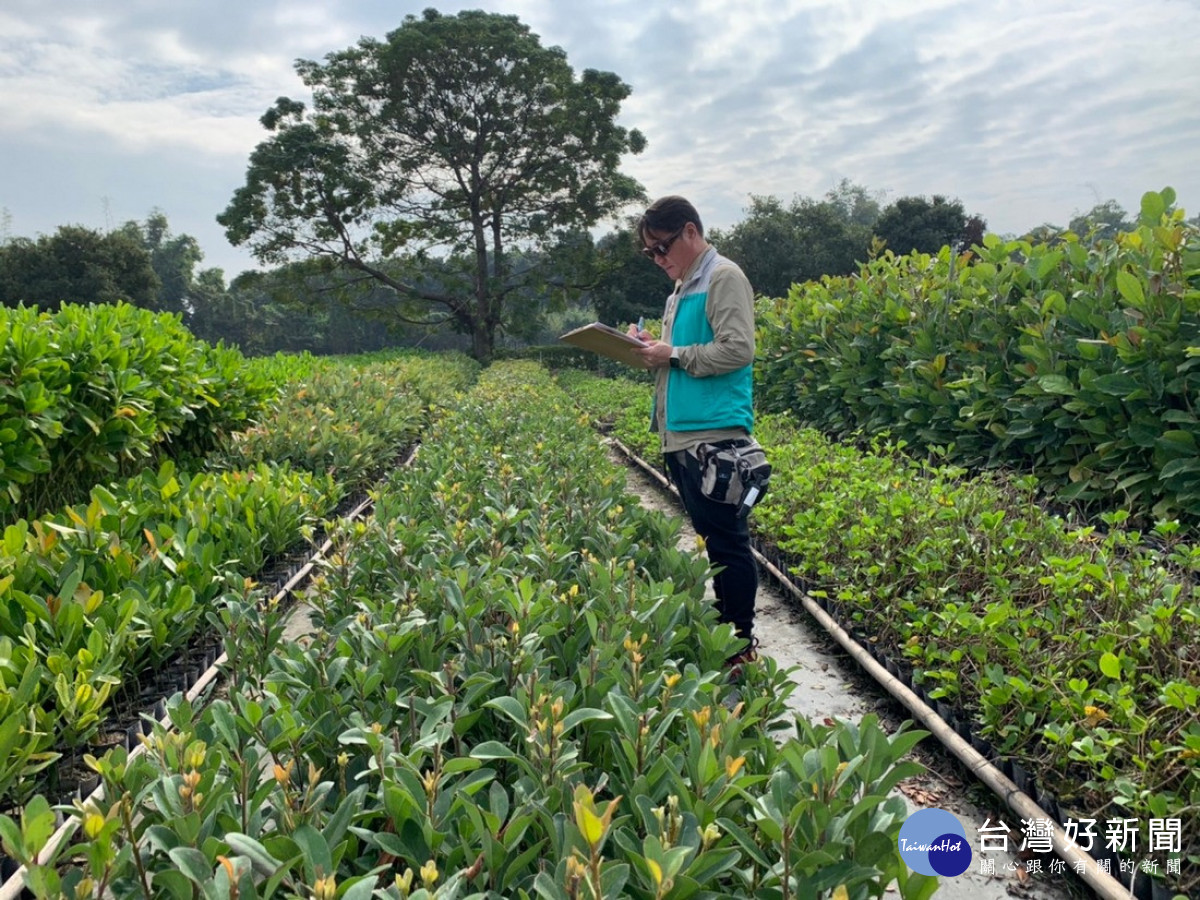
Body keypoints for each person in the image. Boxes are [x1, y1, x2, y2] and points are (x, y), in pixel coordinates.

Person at [628, 195, 760, 674]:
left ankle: (740, 643)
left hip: (715, 434)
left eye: (662, 248)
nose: (659, 260)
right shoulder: (682, 288)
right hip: (682, 433)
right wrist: (651, 349)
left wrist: (674, 354)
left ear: (689, 231)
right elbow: (678, 354)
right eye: (651, 254)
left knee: (728, 542)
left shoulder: (723, 276)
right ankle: (725, 638)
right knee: (712, 537)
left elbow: (738, 350)